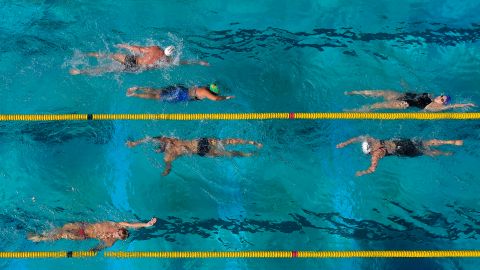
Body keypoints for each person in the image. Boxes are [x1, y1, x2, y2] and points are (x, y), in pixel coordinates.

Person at [126, 136, 263, 176]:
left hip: (201, 151)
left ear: (160, 150)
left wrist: (164, 172)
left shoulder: (168, 156)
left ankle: (248, 153)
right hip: (200, 142)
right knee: (226, 142)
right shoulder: (169, 140)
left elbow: (168, 167)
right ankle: (252, 143)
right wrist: (135, 143)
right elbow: (150, 138)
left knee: (226, 152)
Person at [336, 136, 463, 176]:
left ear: (368, 152)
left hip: (402, 151)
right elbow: (358, 138)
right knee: (425, 143)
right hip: (401, 142)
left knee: (425, 151)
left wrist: (362, 172)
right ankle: (450, 142)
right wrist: (345, 143)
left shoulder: (375, 155)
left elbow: (373, 169)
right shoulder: (373, 140)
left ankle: (445, 153)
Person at [69, 44, 209, 75]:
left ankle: (85, 54)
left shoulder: (155, 48)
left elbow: (138, 49)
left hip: (132, 59)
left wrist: (124, 45)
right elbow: (183, 62)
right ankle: (80, 72)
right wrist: (199, 62)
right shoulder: (167, 61)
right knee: (107, 69)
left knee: (108, 54)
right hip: (135, 68)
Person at [28, 218, 157, 251]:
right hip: (83, 226)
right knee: (62, 228)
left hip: (83, 235)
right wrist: (146, 225)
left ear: (119, 237)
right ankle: (42, 235)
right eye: (118, 231)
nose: (115, 232)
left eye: (118, 234)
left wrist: (93, 250)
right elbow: (131, 224)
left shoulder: (110, 242)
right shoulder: (118, 224)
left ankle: (41, 238)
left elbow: (99, 247)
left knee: (61, 234)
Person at [345, 90, 475, 111]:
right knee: (381, 91)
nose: (440, 98)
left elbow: (450, 107)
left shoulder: (435, 107)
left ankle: (354, 111)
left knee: (378, 105)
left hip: (404, 103)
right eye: (442, 96)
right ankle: (355, 92)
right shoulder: (431, 96)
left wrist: (465, 104)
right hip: (404, 95)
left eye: (442, 100)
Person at [126, 83, 234, 102]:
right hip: (182, 95)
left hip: (182, 89)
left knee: (159, 91)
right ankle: (135, 94)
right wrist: (227, 97)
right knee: (157, 96)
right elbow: (215, 99)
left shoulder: (204, 87)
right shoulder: (205, 92)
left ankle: (138, 87)